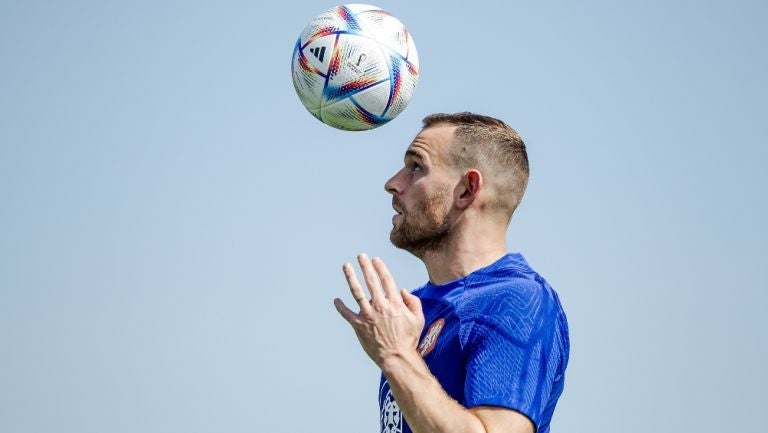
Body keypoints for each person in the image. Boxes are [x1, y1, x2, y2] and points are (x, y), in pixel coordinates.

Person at [334, 112, 570, 433]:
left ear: (466, 190)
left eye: (416, 166)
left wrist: (396, 354)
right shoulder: (412, 310)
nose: (393, 183)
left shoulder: (517, 302)